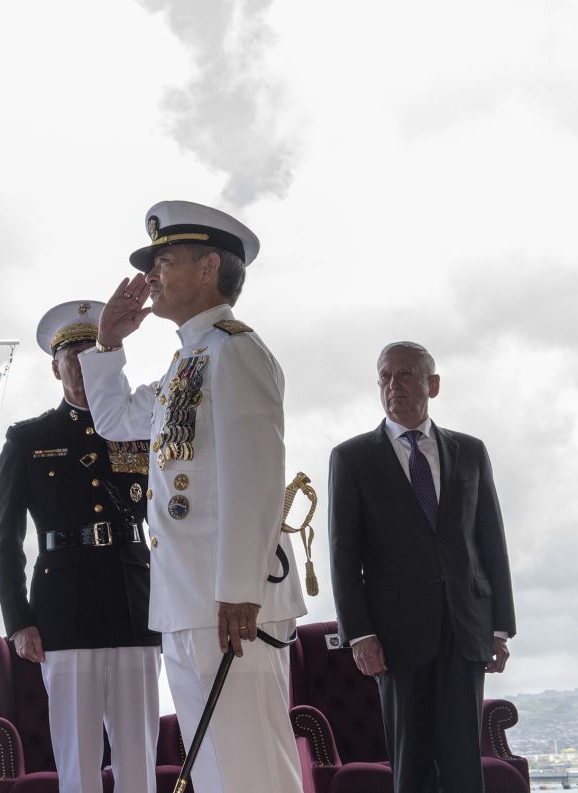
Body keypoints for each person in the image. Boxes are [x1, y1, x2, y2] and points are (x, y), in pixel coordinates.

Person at [77, 201, 306, 793]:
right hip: (187, 599)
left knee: (249, 761)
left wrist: (239, 593)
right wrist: (107, 345)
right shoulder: (188, 361)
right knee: (214, 768)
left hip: (229, 604)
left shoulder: (236, 351)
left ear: (209, 268)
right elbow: (114, 419)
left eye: (165, 260)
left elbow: (254, 477)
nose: (151, 274)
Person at [328, 341, 516, 793]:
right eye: (386, 377)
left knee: (464, 766)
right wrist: (360, 633)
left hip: (466, 627)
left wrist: (500, 628)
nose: (394, 385)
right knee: (412, 768)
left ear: (432, 384)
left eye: (406, 374)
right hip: (396, 635)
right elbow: (343, 554)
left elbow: (491, 541)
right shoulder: (351, 458)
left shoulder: (470, 451)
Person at [0, 300, 161, 793]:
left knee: (139, 761)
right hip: (63, 614)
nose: (84, 368)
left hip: (136, 606)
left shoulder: (140, 432)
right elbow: (7, 536)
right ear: (55, 366)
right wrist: (18, 618)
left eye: (94, 356)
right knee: (78, 761)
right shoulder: (29, 439)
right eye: (74, 358)